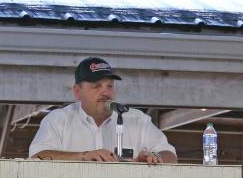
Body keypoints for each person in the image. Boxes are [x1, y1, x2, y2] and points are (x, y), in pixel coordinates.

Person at [28, 56, 178, 164]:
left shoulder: (137, 120)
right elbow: (37, 156)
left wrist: (155, 157)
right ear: (77, 91)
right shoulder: (58, 120)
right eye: (97, 86)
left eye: (109, 86)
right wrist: (83, 156)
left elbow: (170, 154)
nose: (106, 92)